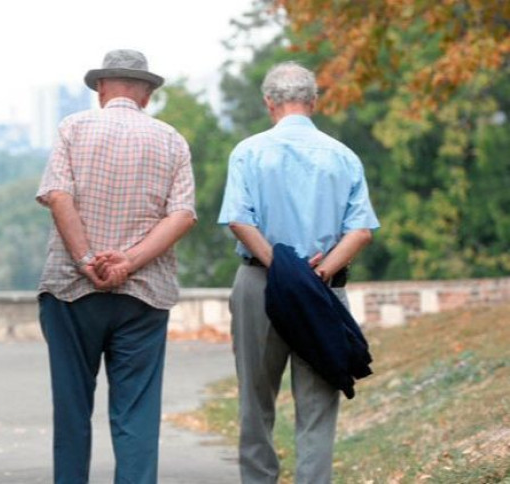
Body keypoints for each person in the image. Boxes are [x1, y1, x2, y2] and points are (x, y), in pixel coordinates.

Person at [35, 49, 196, 484]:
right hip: (144, 294)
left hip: (71, 290)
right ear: (146, 94)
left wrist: (87, 259)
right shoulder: (171, 140)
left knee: (72, 412)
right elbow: (182, 215)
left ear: (102, 89)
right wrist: (129, 261)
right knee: (137, 414)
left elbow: (58, 196)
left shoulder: (72, 128)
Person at [217, 61, 380, 483]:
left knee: (255, 403)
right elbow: (361, 231)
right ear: (314, 102)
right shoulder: (343, 156)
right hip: (323, 291)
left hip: (260, 283)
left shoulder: (248, 152)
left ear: (268, 103)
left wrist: (284, 268)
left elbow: (238, 219)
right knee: (318, 409)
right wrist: (318, 271)